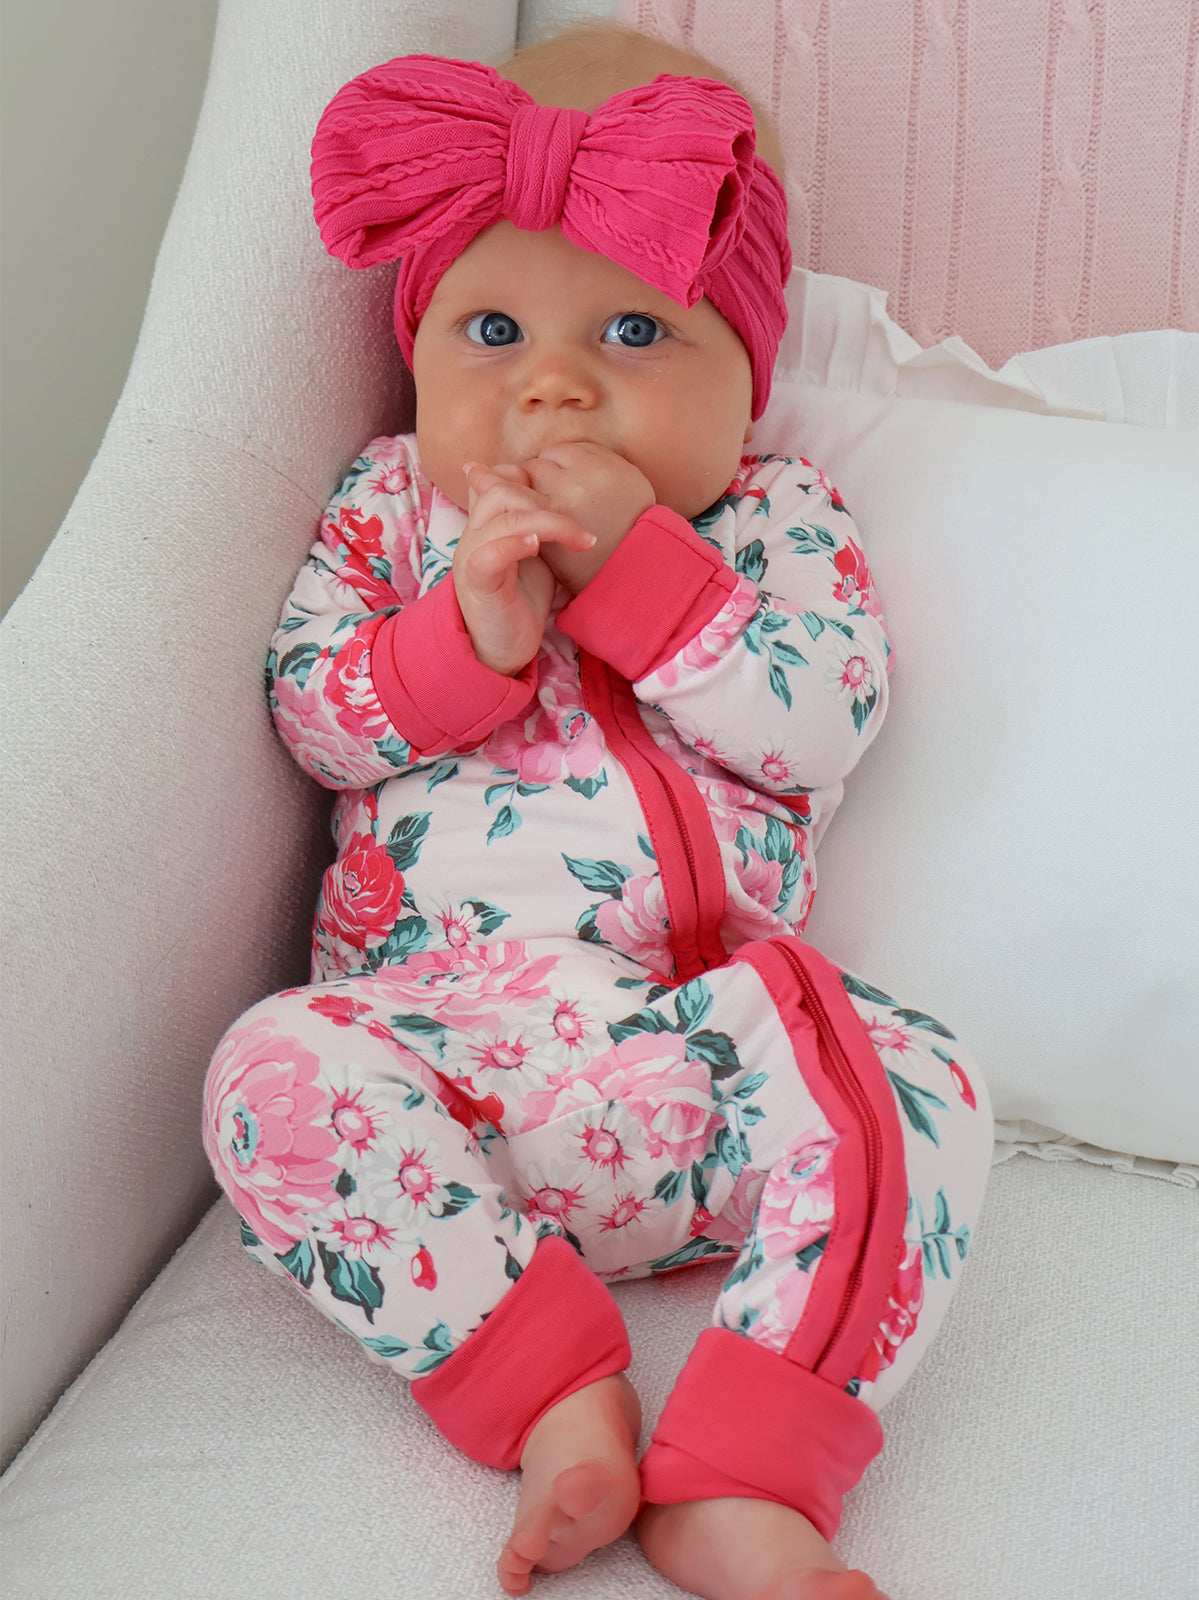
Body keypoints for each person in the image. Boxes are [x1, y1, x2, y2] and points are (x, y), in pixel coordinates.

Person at [202, 24, 993, 1600]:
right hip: (445, 1081)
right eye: (493, 329)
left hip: (700, 1062)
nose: (554, 385)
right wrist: (464, 641)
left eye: (636, 331)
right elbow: (312, 714)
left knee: (920, 1078)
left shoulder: (773, 518)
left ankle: (747, 1470)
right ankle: (553, 1392)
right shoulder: (392, 511)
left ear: (746, 372)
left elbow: (821, 720)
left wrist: (649, 579)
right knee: (264, 1074)